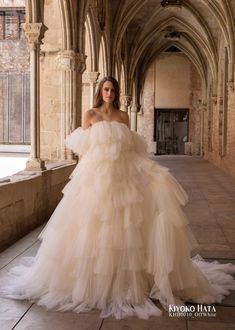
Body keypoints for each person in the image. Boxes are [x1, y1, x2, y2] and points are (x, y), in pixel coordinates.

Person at [1, 76, 235, 320]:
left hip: (123, 179)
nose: (109, 93)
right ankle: (94, 281)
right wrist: (82, 179)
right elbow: (84, 152)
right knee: (95, 229)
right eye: (105, 89)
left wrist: (150, 172)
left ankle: (126, 280)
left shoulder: (123, 117)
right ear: (100, 91)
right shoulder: (90, 115)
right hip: (96, 179)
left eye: (112, 89)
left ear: (116, 92)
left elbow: (132, 151)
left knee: (126, 230)